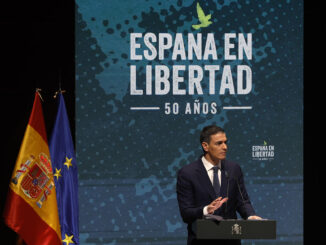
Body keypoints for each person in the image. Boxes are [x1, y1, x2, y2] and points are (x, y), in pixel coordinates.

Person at [176, 125, 261, 245]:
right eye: (219, 143)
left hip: (231, 240)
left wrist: (250, 216)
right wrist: (206, 210)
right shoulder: (187, 173)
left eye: (226, 142)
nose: (225, 147)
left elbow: (242, 200)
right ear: (205, 146)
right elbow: (186, 213)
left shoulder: (233, 169)